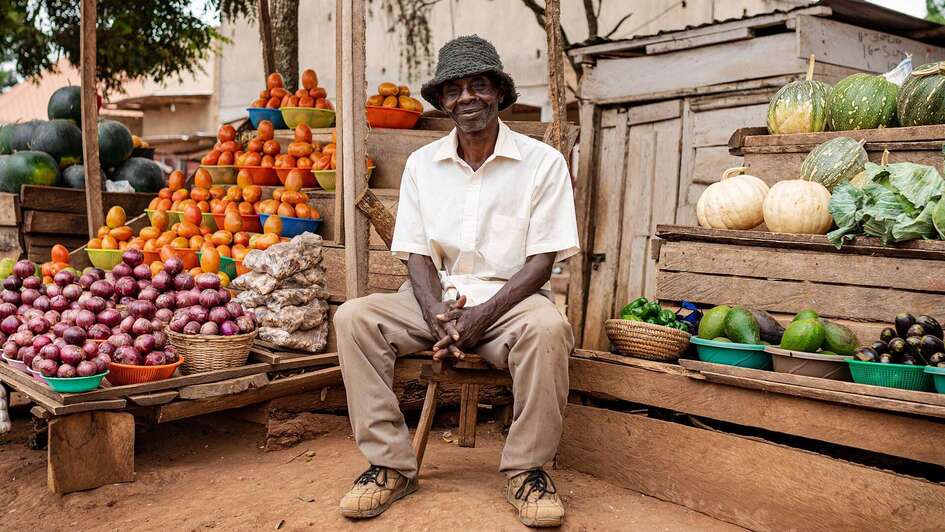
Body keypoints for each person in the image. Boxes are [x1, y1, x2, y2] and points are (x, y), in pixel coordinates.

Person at [335, 35, 579, 528]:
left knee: (550, 331)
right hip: (437, 301)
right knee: (354, 317)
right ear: (443, 102)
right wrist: (441, 319)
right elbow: (418, 255)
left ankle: (526, 472)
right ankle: (390, 467)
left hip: (513, 298)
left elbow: (540, 264)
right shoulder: (424, 165)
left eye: (479, 85)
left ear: (499, 93)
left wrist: (477, 320)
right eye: (455, 89)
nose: (467, 97)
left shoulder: (543, 163)